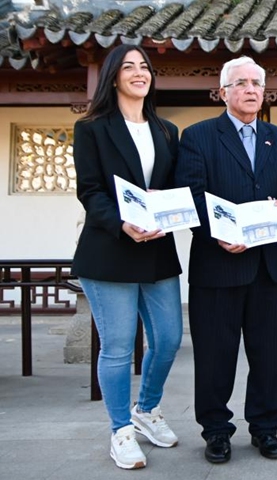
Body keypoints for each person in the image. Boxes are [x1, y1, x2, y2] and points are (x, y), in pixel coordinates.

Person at [175, 56, 277, 464]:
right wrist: (221, 234)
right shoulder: (198, 137)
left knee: (267, 353)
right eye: (241, 83)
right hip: (219, 262)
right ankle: (216, 431)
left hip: (270, 265)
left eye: (257, 83)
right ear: (223, 92)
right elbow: (192, 195)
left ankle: (266, 429)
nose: (250, 89)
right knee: (216, 355)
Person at [72, 44, 182, 470]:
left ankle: (146, 410)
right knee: (117, 347)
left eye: (145, 67)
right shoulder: (92, 128)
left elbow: (173, 187)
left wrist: (169, 204)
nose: (139, 73)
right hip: (109, 250)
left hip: (156, 248)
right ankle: (120, 430)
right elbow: (90, 191)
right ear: (113, 77)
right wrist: (122, 223)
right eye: (129, 67)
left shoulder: (166, 130)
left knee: (169, 338)